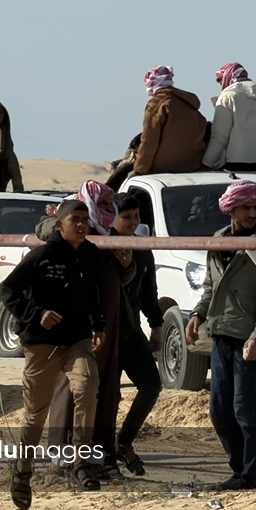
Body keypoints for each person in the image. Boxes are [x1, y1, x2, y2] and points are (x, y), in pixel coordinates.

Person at [0, 199, 105, 509]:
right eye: (76, 219)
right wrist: (36, 313)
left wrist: (98, 324)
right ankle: (23, 470)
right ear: (60, 224)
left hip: (77, 340)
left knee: (87, 388)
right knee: (35, 414)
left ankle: (81, 460)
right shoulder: (42, 256)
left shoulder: (90, 256)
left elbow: (96, 294)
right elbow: (9, 291)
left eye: (86, 219)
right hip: (42, 344)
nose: (83, 224)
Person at [46, 182, 133, 480]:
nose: (108, 211)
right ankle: (61, 455)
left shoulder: (111, 235)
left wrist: (127, 262)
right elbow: (46, 229)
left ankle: (99, 456)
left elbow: (121, 275)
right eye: (103, 204)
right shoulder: (71, 226)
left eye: (112, 205)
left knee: (105, 387)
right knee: (70, 385)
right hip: (73, 318)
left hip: (107, 320)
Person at [186, 180, 256, 491]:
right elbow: (210, 286)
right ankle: (239, 470)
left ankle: (250, 477)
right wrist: (197, 314)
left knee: (246, 411)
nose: (252, 212)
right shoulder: (219, 241)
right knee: (220, 411)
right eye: (246, 207)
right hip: (221, 333)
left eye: (255, 207)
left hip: (250, 338)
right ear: (231, 209)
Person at [111, 193, 163, 475]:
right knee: (110, 396)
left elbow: (148, 294)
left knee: (152, 386)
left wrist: (156, 326)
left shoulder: (143, 250)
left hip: (132, 333)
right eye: (126, 217)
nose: (133, 222)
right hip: (104, 335)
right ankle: (104, 454)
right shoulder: (101, 245)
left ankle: (124, 441)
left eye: (136, 217)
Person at [132, 66, 206, 176]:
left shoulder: (157, 104)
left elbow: (149, 140)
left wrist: (139, 170)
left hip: (163, 167)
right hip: (192, 164)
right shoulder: (188, 102)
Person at [202, 63, 256, 172]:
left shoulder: (227, 97)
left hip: (237, 165)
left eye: (220, 81)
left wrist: (207, 163)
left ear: (228, 77)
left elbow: (219, 137)